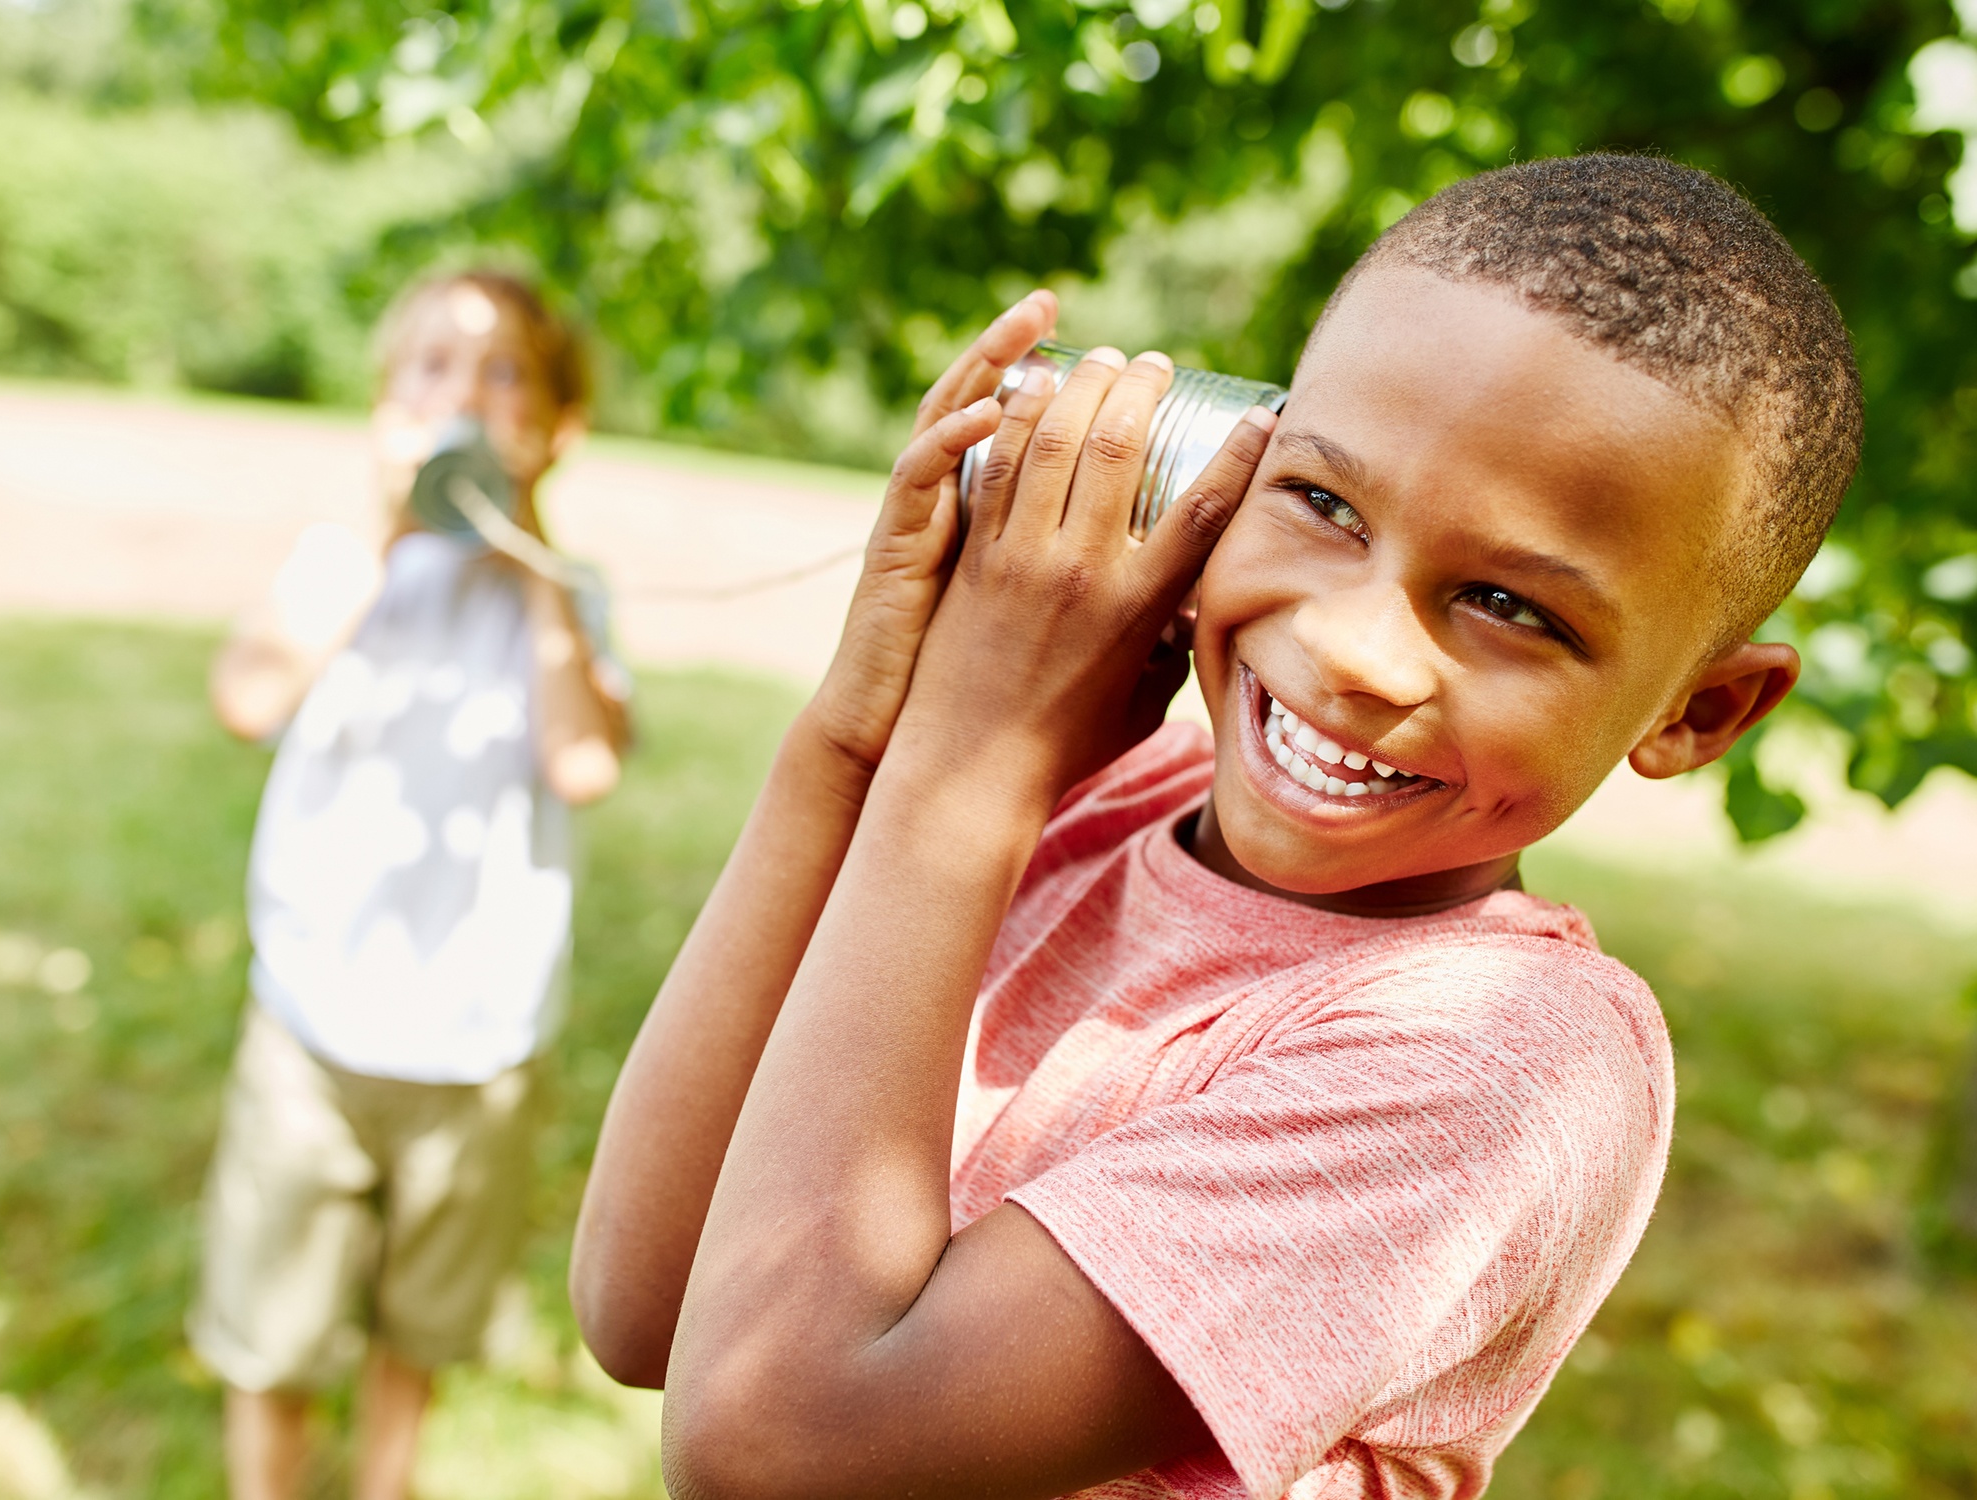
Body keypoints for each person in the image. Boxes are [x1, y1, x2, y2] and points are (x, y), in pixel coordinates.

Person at [570, 154, 1862, 1499]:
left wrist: (966, 767)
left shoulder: (1509, 1066)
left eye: (1513, 607)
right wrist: (856, 745)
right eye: (1321, 503)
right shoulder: (1087, 806)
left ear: (1703, 712)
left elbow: (772, 1445)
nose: (1356, 648)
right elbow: (643, 1302)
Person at [189, 270, 631, 1500]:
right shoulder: (340, 564)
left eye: (501, 378)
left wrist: (532, 556)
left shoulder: (565, 594)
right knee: (273, 1327)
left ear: (552, 428)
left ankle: (386, 1480)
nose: (463, 396)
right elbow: (249, 697)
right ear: (383, 403)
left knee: (419, 1321)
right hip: (314, 1021)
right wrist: (388, 528)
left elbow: (582, 761)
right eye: (431, 367)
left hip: (479, 1040)